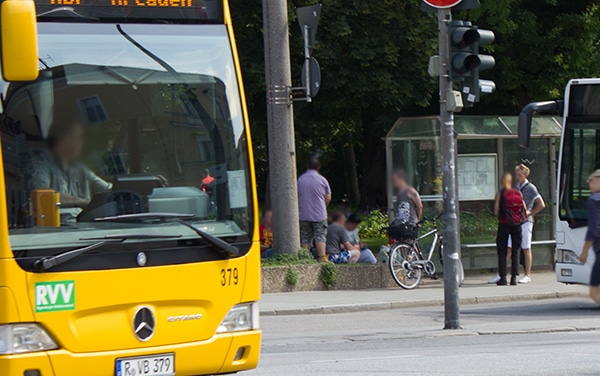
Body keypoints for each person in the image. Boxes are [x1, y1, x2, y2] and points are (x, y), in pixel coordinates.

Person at [29, 120, 112, 223]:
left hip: (86, 228)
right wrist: (80, 202)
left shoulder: (80, 167)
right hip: (56, 230)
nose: (82, 142)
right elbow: (41, 193)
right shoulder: (40, 163)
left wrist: (124, 190)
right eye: (78, 137)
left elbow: (108, 190)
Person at [489, 164, 546, 284]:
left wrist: (530, 213)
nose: (517, 177)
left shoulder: (531, 188)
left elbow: (541, 204)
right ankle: (502, 273)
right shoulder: (514, 187)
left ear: (526, 175)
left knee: (525, 248)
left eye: (520, 175)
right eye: (516, 175)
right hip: (515, 222)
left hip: (525, 222)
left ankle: (527, 274)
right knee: (510, 249)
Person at [494, 172, 527, 286]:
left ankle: (503, 277)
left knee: (502, 251)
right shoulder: (518, 193)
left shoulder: (500, 193)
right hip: (517, 224)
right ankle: (514, 278)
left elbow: (495, 211)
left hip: (504, 224)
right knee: (516, 250)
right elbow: (524, 208)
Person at [298, 157, 332, 263]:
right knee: (320, 235)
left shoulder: (300, 179)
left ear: (307, 166)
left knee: (305, 236)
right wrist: (324, 206)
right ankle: (322, 257)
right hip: (319, 214)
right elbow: (328, 197)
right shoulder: (322, 180)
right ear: (318, 167)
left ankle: (305, 257)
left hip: (303, 213)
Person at [579, 170, 600, 304]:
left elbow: (594, 230)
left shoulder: (593, 200)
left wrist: (584, 251)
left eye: (592, 181)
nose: (589, 184)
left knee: (594, 293)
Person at [391, 169, 423, 236]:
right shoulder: (399, 193)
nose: (394, 182)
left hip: (410, 222)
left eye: (395, 180)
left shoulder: (410, 191)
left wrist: (417, 221)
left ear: (401, 178)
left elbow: (419, 206)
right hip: (401, 223)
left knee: (410, 243)